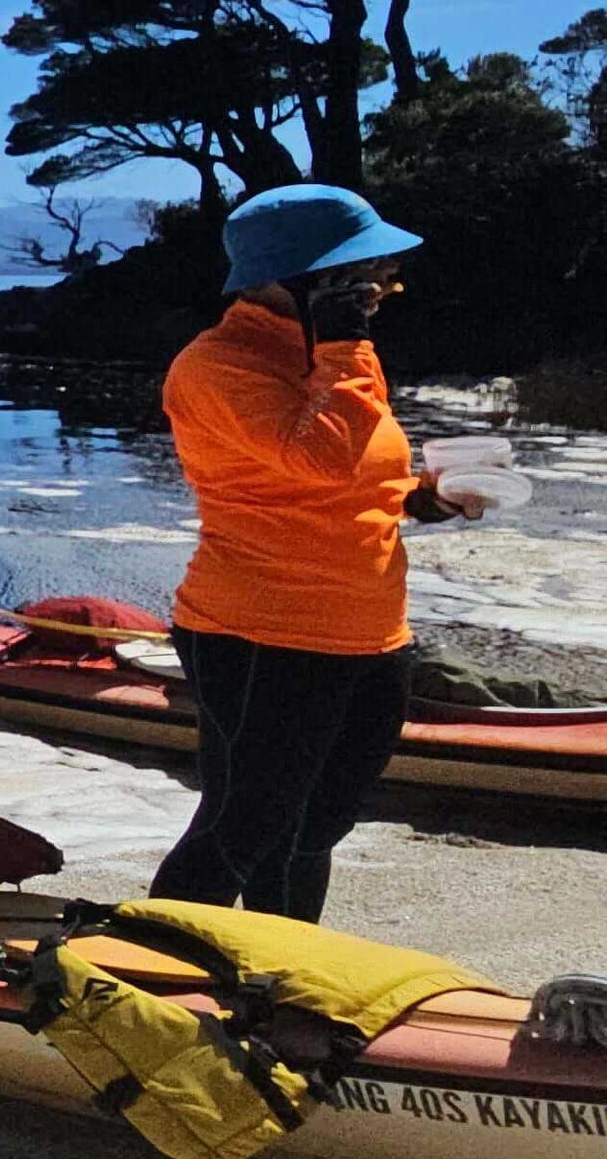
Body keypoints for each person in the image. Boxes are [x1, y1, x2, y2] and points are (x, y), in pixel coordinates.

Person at [149, 185, 479, 920]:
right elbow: (323, 460)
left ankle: (278, 977)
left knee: (315, 828)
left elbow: (354, 475)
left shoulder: (329, 356)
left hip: (370, 629)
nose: (380, 291)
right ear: (298, 278)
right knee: (243, 826)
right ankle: (149, 979)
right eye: (362, 277)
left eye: (378, 276)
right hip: (261, 632)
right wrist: (344, 343)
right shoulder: (216, 366)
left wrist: (424, 499)